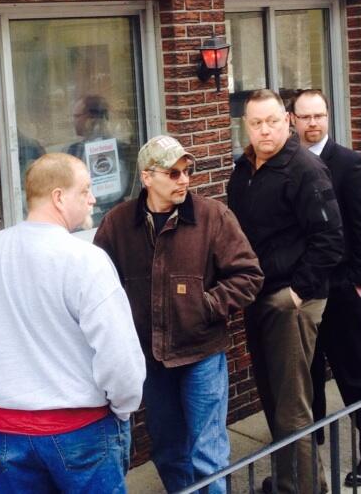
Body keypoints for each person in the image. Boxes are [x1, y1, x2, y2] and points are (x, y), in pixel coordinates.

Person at [0, 153, 145, 492]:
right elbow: (119, 353)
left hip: (8, 428)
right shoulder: (86, 259)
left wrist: (2, 391)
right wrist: (123, 408)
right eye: (85, 190)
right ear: (58, 197)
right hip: (81, 429)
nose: (93, 198)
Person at [94, 135, 263, 494]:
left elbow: (249, 276)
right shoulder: (117, 224)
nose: (184, 179)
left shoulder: (212, 216)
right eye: (173, 173)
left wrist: (205, 306)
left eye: (187, 171)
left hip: (201, 353)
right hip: (150, 360)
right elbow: (96, 286)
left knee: (208, 453)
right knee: (168, 450)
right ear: (147, 177)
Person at [228, 89, 344, 494]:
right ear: (246, 125)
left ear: (287, 121)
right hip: (257, 296)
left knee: (292, 404)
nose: (265, 130)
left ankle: (302, 489)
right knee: (274, 397)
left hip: (292, 300)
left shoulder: (304, 169)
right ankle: (292, 481)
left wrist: (295, 294)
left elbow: (331, 239)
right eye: (256, 123)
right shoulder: (244, 168)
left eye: (272, 121)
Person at [290, 90, 361, 486]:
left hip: (342, 289)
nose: (313, 122)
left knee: (358, 374)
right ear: (293, 120)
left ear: (328, 117)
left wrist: (359, 284)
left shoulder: (350, 164)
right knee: (307, 374)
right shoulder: (286, 165)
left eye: (319, 115)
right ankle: (310, 446)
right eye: (305, 116)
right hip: (301, 293)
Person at [66, 94, 134, 221]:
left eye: (77, 116)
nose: (73, 121)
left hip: (112, 215)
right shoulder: (75, 149)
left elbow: (124, 187)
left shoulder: (119, 149)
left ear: (92, 119)